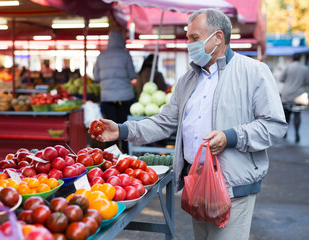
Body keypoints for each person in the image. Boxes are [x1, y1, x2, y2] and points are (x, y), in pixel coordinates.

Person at [91, 8, 287, 240]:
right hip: (197, 183)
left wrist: (230, 137)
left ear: (218, 38)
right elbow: (164, 122)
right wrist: (122, 130)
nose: (189, 44)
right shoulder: (187, 80)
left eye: (195, 38)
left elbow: (274, 125)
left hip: (233, 187)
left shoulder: (254, 72)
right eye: (188, 38)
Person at [93, 29, 137, 154]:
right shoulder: (125, 55)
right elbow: (132, 75)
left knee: (109, 130)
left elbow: (96, 78)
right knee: (125, 129)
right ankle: (127, 157)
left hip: (107, 98)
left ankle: (110, 158)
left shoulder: (101, 56)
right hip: (125, 97)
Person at [279, 53, 309, 143]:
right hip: (298, 95)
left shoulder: (287, 67)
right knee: (297, 114)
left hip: (287, 94)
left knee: (286, 114)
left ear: (292, 59)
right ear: (300, 59)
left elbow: (281, 79)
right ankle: (296, 133)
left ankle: (285, 132)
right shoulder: (305, 69)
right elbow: (307, 82)